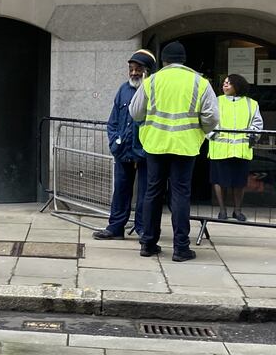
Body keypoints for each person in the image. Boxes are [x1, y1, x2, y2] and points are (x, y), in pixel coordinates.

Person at [130, 40, 219, 262]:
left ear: (164, 60)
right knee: (180, 195)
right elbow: (212, 117)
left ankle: (148, 243)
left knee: (152, 192)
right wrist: (202, 130)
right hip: (185, 145)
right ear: (184, 60)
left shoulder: (152, 81)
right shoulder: (200, 82)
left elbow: (135, 112)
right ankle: (181, 247)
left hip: (156, 144)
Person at [93, 49, 157, 240]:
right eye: (131, 69)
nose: (134, 73)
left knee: (146, 193)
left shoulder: (154, 90)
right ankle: (115, 227)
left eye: (138, 69)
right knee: (121, 189)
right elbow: (113, 120)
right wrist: (114, 142)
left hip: (146, 151)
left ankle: (143, 229)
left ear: (147, 71)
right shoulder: (123, 89)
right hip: (123, 150)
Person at [208, 74, 263, 221]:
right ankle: (222, 210)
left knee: (239, 182)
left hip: (241, 150)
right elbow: (208, 120)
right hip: (220, 149)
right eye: (224, 83)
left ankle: (237, 211)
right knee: (219, 180)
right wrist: (212, 134)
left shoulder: (251, 104)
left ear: (237, 86)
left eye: (229, 83)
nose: (225, 85)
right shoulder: (216, 101)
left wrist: (251, 136)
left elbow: (257, 124)